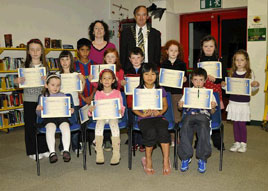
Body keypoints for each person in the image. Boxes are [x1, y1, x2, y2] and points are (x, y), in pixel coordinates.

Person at [132, 64, 171, 175]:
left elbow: (165, 106)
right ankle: (148, 160)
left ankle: (166, 161)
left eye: (153, 74)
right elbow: (134, 108)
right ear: (142, 76)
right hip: (144, 119)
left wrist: (160, 112)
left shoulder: (160, 89)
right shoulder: (138, 90)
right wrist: (142, 115)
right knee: (150, 132)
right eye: (146, 74)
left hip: (158, 117)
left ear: (157, 76)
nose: (150, 77)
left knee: (163, 131)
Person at [15, 39, 49, 160]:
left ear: (42, 52)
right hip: (29, 100)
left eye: (38, 49)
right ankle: (32, 150)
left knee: (43, 124)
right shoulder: (24, 67)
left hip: (42, 100)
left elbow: (52, 85)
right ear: (28, 51)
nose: (35, 52)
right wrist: (17, 81)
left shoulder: (45, 67)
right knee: (30, 125)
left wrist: (47, 81)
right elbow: (16, 83)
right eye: (32, 49)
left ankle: (44, 148)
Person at [178, 68, 217, 173]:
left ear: (205, 81)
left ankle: (202, 158)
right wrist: (180, 105)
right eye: (195, 79)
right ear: (191, 80)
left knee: (204, 128)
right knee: (185, 128)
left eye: (201, 80)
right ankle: (186, 157)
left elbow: (212, 112)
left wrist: (212, 107)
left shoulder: (209, 93)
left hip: (203, 116)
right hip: (190, 116)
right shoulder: (188, 92)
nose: (198, 82)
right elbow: (180, 106)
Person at [223, 49, 260, 153]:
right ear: (234, 61)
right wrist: (224, 86)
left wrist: (255, 85)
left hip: (243, 103)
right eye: (237, 60)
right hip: (233, 102)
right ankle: (237, 142)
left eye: (242, 60)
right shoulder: (232, 72)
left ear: (246, 61)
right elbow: (228, 88)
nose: (239, 62)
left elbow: (252, 89)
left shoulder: (249, 73)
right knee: (235, 123)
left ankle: (243, 143)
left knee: (241, 124)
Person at [195, 35, 227, 150]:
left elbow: (224, 78)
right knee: (200, 116)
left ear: (215, 48)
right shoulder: (199, 61)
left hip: (215, 91)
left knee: (214, 116)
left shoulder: (220, 61)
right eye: (206, 46)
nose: (208, 48)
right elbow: (195, 77)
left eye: (211, 46)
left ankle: (218, 142)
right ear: (202, 48)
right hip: (202, 92)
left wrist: (217, 79)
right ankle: (199, 141)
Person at [88, 69, 125, 165]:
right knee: (99, 124)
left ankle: (116, 152)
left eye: (109, 78)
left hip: (113, 116)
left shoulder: (117, 93)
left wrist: (120, 111)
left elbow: (121, 106)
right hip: (102, 116)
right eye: (104, 78)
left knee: (114, 124)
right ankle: (99, 151)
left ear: (113, 80)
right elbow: (94, 107)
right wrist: (91, 110)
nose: (107, 80)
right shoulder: (98, 93)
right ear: (100, 80)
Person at [36, 74, 73, 163]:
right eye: (52, 85)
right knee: (50, 128)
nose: (55, 87)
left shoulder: (63, 96)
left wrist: (71, 110)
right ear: (46, 85)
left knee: (65, 127)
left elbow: (68, 110)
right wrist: (38, 110)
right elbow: (39, 115)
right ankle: (52, 152)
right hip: (49, 118)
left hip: (61, 117)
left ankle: (66, 150)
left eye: (58, 85)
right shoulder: (43, 97)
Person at [57, 50, 86, 154]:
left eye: (67, 59)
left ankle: (76, 145)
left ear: (71, 61)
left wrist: (82, 81)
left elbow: (80, 90)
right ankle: (63, 146)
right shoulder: (57, 75)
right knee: (62, 125)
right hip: (61, 105)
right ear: (59, 61)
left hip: (75, 103)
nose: (65, 62)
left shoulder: (76, 74)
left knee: (74, 125)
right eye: (62, 59)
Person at [161, 40, 188, 147]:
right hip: (166, 93)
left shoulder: (182, 64)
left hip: (177, 93)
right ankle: (171, 137)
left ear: (178, 52)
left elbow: (185, 78)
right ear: (167, 51)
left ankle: (178, 136)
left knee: (177, 116)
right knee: (168, 116)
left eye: (176, 51)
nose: (173, 52)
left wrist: (184, 79)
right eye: (171, 50)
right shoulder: (163, 64)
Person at [120, 5, 161, 71]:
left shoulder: (155, 33)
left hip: (149, 70)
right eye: (138, 15)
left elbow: (157, 55)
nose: (141, 18)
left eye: (144, 15)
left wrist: (155, 68)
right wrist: (124, 70)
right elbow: (123, 54)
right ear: (134, 16)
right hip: (131, 69)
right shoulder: (126, 33)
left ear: (147, 17)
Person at [125, 47, 144, 152]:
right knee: (131, 121)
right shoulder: (127, 71)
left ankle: (141, 143)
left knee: (141, 121)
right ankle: (133, 142)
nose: (136, 60)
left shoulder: (145, 70)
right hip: (130, 101)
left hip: (142, 101)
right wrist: (123, 83)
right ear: (129, 59)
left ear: (142, 58)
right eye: (133, 58)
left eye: (138, 58)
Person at [74, 38, 95, 106]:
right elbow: (73, 85)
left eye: (87, 50)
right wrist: (84, 99)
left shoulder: (94, 65)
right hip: (79, 100)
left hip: (93, 99)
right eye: (82, 50)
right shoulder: (74, 66)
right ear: (77, 50)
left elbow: (98, 84)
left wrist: (91, 97)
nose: (85, 52)